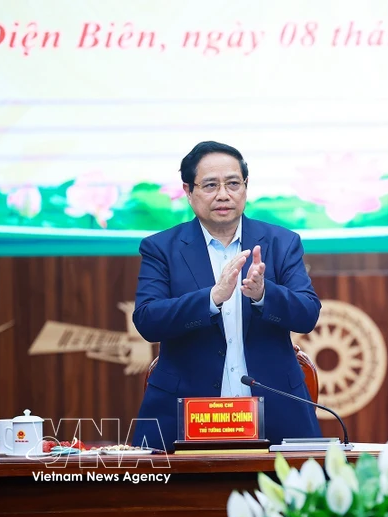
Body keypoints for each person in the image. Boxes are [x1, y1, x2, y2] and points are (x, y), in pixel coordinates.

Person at [131, 141, 322, 450]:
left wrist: (263, 294)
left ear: (245, 187)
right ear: (188, 191)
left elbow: (308, 314)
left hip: (276, 413)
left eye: (233, 183)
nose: (223, 194)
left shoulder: (282, 242)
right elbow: (148, 319)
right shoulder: (161, 248)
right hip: (184, 415)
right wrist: (211, 298)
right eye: (210, 185)